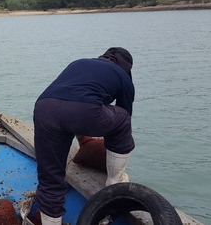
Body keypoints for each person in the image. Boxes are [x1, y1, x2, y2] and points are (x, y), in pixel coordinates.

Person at [33, 47, 135, 225]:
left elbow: (70, 97)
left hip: (44, 108)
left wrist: (83, 141)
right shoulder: (123, 76)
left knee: (50, 179)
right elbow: (123, 116)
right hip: (83, 111)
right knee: (123, 120)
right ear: (126, 67)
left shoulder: (79, 62)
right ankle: (114, 182)